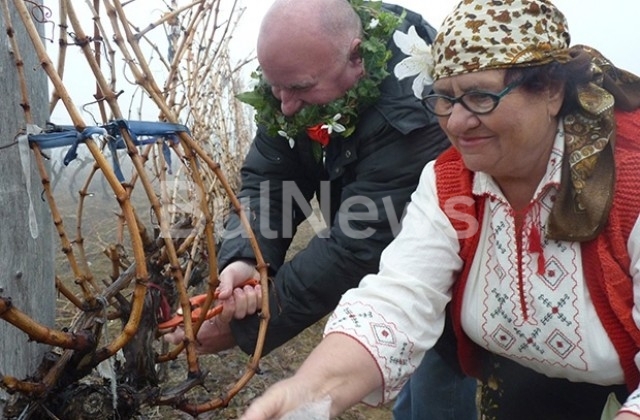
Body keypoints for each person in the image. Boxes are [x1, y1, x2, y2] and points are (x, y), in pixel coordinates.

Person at [236, 0, 640, 419]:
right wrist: (307, 394)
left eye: (481, 97)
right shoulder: (451, 182)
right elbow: (397, 301)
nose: (458, 123)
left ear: (552, 90)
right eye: (445, 99)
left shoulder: (630, 181)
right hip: (523, 368)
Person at [164, 0, 478, 418]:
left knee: (440, 367)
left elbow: (360, 242)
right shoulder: (293, 81)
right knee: (414, 382)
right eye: (276, 88)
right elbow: (272, 180)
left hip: (448, 266)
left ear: (356, 56)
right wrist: (248, 258)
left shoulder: (412, 110)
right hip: (388, 264)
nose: (286, 105)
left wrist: (244, 326)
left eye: (299, 89)